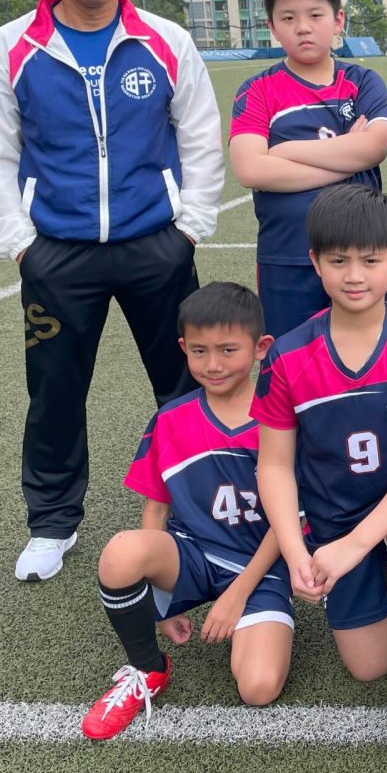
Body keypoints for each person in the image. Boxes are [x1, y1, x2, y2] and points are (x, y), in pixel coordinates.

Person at [0, 0, 223, 583]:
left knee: (185, 383)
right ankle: (53, 522)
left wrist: (190, 227)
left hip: (157, 246)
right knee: (55, 390)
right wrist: (21, 242)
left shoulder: (166, 40)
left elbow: (201, 135)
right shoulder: (10, 47)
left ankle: (196, 508)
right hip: (57, 253)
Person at [252, 185, 387, 769]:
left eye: (370, 260)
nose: (354, 275)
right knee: (368, 666)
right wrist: (296, 552)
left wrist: (358, 544)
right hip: (336, 517)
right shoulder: (289, 356)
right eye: (338, 260)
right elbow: (274, 464)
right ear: (314, 262)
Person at [81, 282, 293, 740]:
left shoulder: (282, 419)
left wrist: (237, 595)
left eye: (228, 350)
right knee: (121, 552)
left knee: (258, 687)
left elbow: (290, 519)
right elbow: (156, 511)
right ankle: (147, 668)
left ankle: (260, 618)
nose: (212, 364)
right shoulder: (170, 420)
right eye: (199, 351)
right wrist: (158, 603)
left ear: (260, 348)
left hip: (263, 566)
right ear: (183, 348)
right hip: (193, 555)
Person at [229, 0, 387, 338]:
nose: (303, 28)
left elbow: (375, 148)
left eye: (315, 15)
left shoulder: (363, 82)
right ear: (272, 26)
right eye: (288, 18)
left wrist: (285, 152)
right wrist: (347, 157)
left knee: (367, 355)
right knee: (290, 358)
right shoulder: (257, 90)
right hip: (287, 255)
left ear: (338, 20)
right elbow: (251, 169)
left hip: (360, 254)